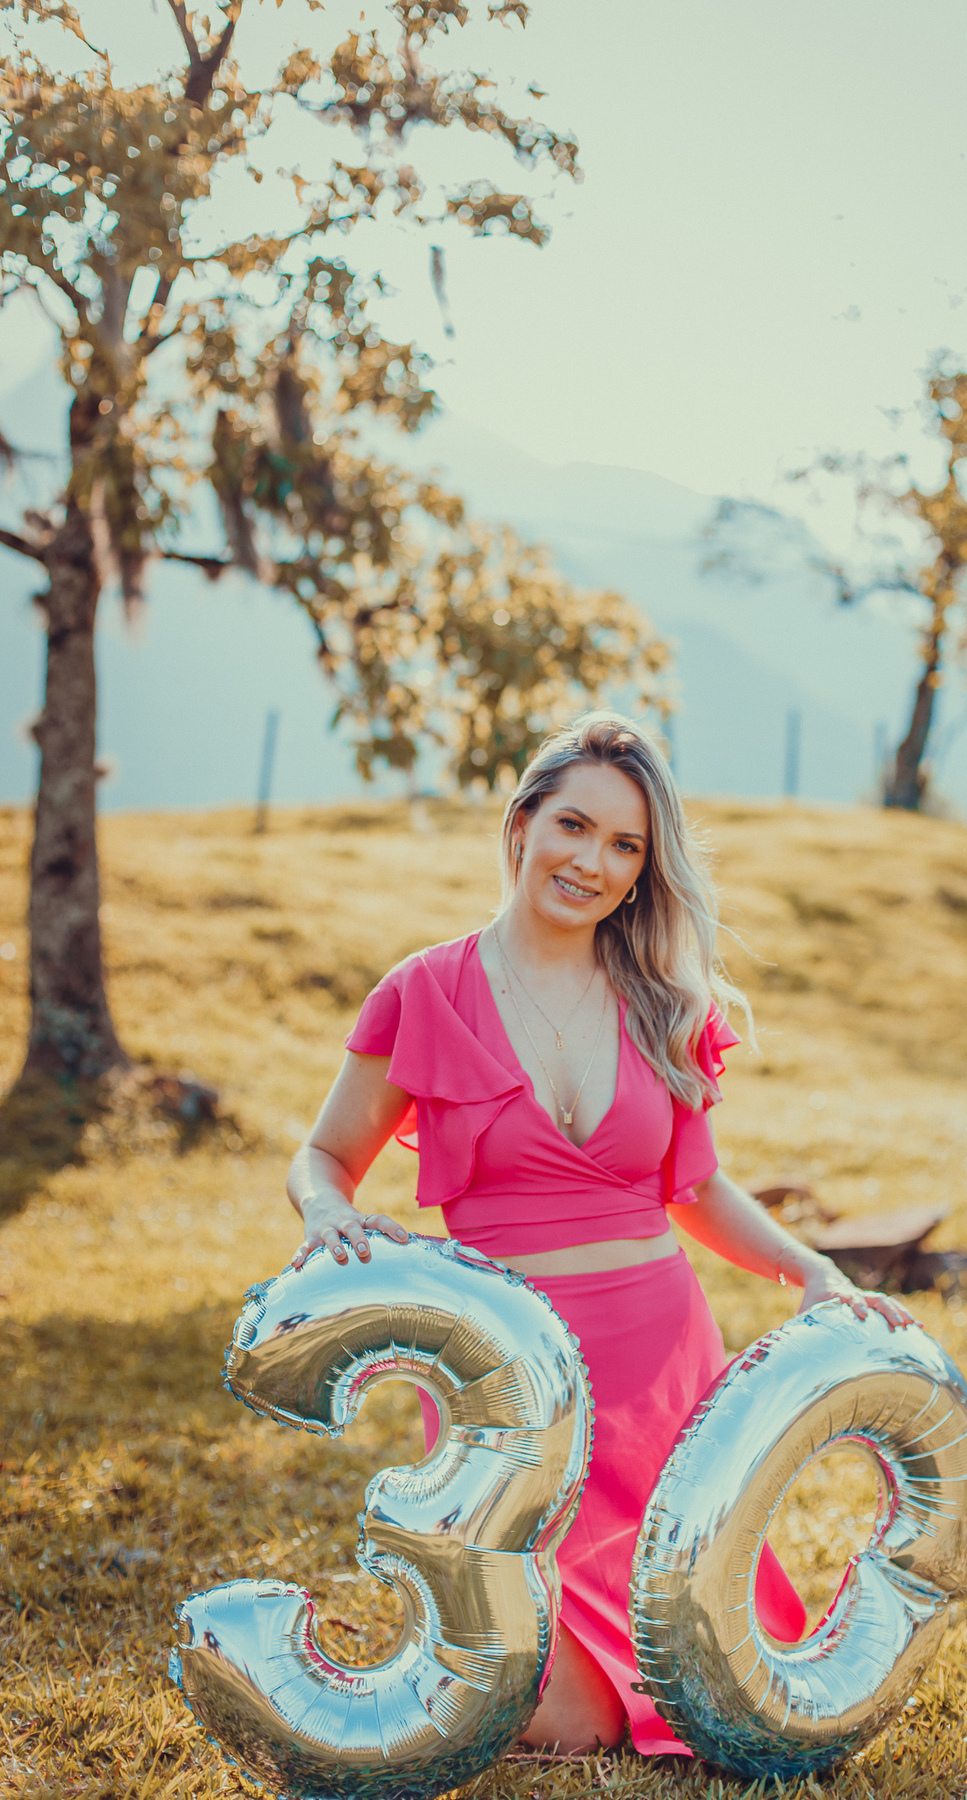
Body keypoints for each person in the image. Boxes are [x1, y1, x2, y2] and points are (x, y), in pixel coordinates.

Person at [286, 711, 917, 1757]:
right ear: (523, 822)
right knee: (568, 1719)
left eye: (625, 846)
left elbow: (696, 1190)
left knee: (706, 1680)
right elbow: (323, 1156)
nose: (592, 862)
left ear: (641, 872)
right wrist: (329, 1209)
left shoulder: (660, 1002)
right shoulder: (425, 993)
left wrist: (809, 1268)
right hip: (514, 1386)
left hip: (661, 1365)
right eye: (573, 826)